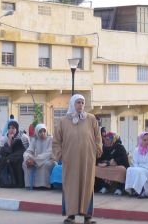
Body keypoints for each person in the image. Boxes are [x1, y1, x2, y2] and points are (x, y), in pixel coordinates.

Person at [52, 94, 102, 224]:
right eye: (78, 102)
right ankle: (70, 216)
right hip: (70, 161)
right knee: (70, 186)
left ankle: (88, 216)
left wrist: (97, 150)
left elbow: (98, 137)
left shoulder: (91, 119)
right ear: (72, 104)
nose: (81, 105)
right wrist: (60, 156)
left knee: (87, 185)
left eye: (82, 102)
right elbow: (56, 141)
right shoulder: (63, 121)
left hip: (87, 160)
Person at [125, 132, 148, 198]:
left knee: (140, 171)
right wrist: (140, 166)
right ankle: (132, 190)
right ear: (140, 140)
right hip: (141, 171)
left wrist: (140, 166)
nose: (147, 142)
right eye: (144, 140)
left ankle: (146, 192)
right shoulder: (137, 150)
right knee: (129, 169)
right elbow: (135, 163)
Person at [23, 124, 56, 188]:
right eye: (40, 132)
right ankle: (30, 184)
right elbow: (28, 151)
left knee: (46, 164)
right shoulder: (35, 140)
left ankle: (44, 185)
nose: (42, 133)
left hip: (49, 159)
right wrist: (27, 159)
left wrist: (35, 160)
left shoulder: (51, 139)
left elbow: (49, 153)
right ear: (37, 132)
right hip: (37, 160)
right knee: (24, 164)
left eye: (44, 131)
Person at [0, 121, 26, 188]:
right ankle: (6, 181)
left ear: (17, 129)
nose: (11, 130)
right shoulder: (5, 138)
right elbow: (3, 151)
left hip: (20, 157)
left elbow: (24, 150)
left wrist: (10, 157)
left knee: (17, 160)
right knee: (3, 158)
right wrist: (9, 141)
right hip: (10, 157)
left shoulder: (23, 137)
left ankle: (19, 183)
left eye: (13, 128)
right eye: (9, 128)